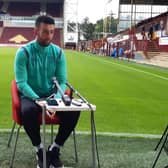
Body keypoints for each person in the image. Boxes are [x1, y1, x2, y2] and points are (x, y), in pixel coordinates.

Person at [14, 15, 80, 168]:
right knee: (28, 111)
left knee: (74, 110)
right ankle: (40, 150)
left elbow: (62, 82)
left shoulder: (58, 53)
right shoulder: (23, 53)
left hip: (52, 95)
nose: (49, 36)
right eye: (45, 32)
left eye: (51, 32)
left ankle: (55, 149)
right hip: (31, 96)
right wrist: (40, 101)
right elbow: (21, 83)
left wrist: (55, 102)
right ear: (35, 31)